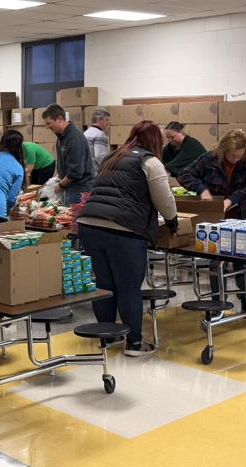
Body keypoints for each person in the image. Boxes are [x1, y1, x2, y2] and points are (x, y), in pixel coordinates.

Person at [77, 120, 178, 357]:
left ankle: (108, 336)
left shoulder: (112, 157)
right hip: (124, 230)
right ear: (156, 141)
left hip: (89, 224)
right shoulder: (150, 161)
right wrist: (173, 222)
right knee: (129, 287)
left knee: (103, 284)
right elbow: (165, 200)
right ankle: (134, 344)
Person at [178, 129, 246, 308]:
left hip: (238, 216)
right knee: (215, 263)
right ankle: (216, 304)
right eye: (232, 155)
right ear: (223, 150)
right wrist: (202, 189)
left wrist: (233, 199)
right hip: (213, 219)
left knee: (242, 260)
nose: (235, 159)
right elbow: (184, 175)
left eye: (239, 155)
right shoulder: (208, 159)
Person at [41, 104, 94, 205]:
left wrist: (60, 185)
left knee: (74, 219)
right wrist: (56, 178)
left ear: (60, 119)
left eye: (49, 123)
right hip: (70, 187)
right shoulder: (61, 137)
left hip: (79, 189)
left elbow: (76, 171)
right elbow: (65, 163)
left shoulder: (74, 138)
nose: (47, 127)